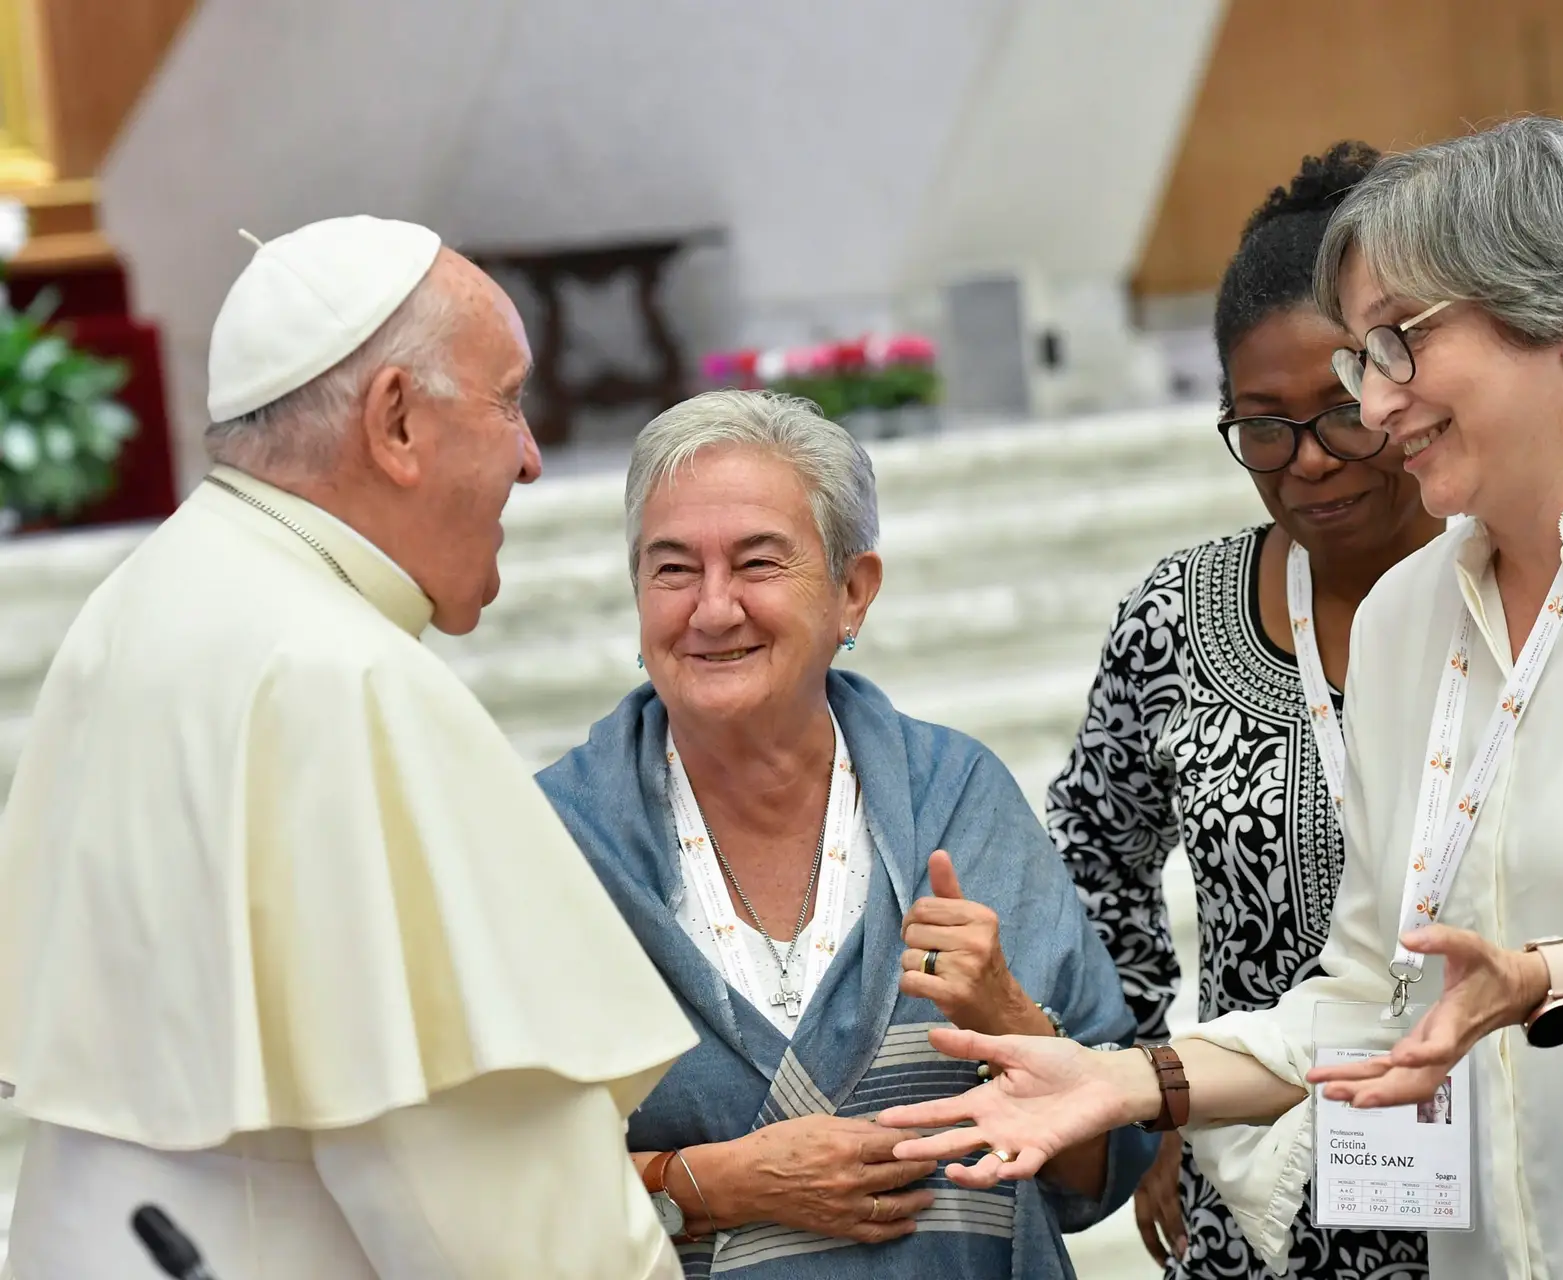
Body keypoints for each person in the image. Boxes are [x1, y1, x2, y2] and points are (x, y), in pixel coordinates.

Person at [881, 117, 1563, 1280]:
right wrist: (1131, 1080)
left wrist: (1546, 977)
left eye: (1399, 345)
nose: (1373, 408)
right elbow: (1373, 995)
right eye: (1357, 365)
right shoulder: (1409, 618)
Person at [0, 217, 696, 1279]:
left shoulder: (141, 603)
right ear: (397, 422)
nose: (531, 454)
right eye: (508, 398)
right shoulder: (341, 678)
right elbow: (493, 1210)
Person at [535, 389, 1156, 1279]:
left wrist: (1007, 1017)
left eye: (757, 563)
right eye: (673, 570)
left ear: (852, 593)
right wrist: (714, 1186)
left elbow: (1100, 1176)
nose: (712, 609)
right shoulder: (558, 842)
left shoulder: (957, 798)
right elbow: (484, 1193)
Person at [1048, 142, 1434, 1280]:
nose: (1309, 461)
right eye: (1264, 426)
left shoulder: (1510, 588)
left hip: (1510, 1175)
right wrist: (1150, 1084)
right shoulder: (1178, 617)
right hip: (1262, 1197)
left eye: (1342, 410)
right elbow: (1093, 857)